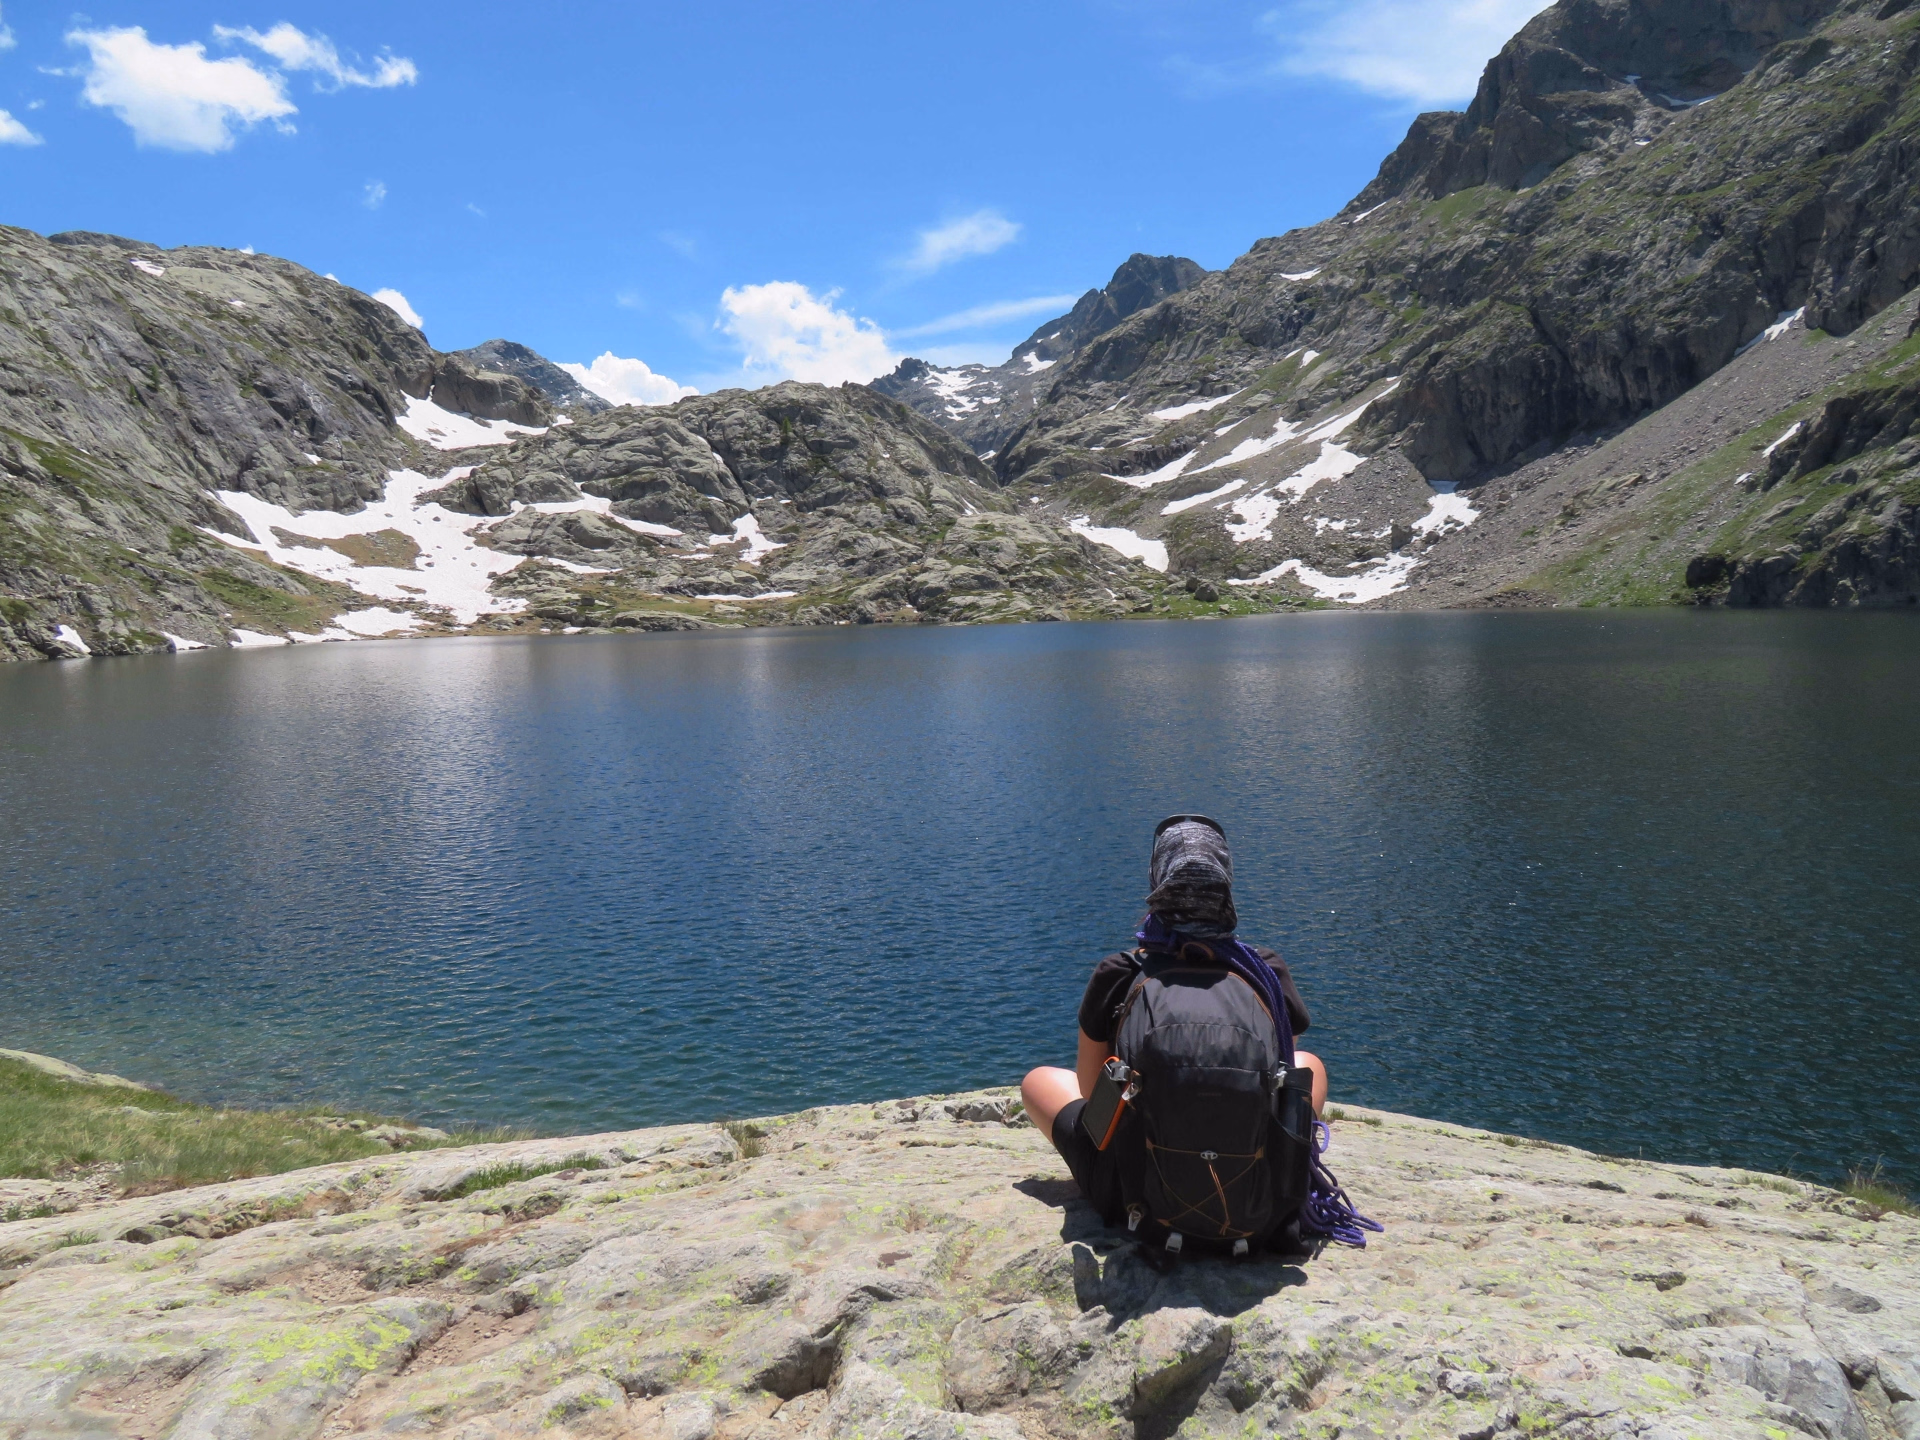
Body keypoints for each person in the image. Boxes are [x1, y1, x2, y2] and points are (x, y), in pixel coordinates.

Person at [1021, 814, 1328, 1227]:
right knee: (1309, 1064)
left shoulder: (1120, 972)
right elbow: (1285, 1079)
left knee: (1038, 1080)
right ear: (1226, 885)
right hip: (1255, 1204)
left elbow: (1093, 1093)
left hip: (1136, 1201)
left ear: (1157, 884)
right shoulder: (1265, 972)